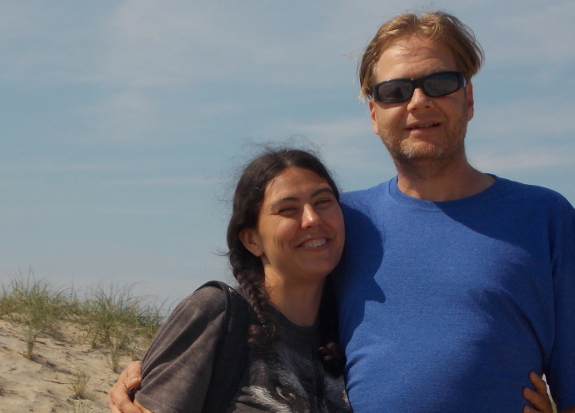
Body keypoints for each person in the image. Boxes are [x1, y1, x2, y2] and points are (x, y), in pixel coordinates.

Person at [110, 10, 575, 413]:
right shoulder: (341, 223)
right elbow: (264, 307)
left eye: (440, 83)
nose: (419, 101)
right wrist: (150, 371)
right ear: (374, 114)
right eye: (395, 90)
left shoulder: (545, 219)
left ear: (468, 98)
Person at [123, 147, 352, 412]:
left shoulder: (351, 333)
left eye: (323, 201)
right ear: (251, 240)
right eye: (288, 209)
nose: (312, 219)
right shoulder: (216, 313)